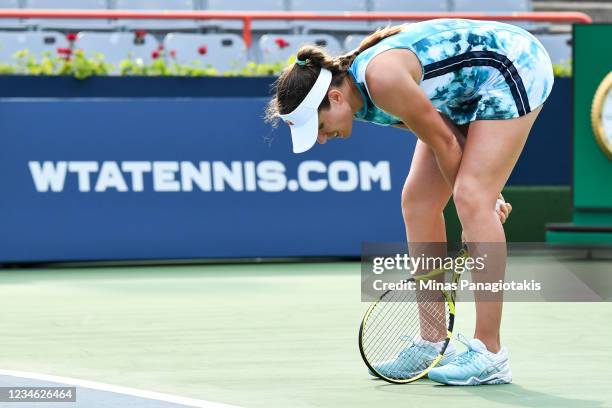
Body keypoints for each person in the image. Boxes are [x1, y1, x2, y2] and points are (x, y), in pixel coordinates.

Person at [265, 18, 553, 385]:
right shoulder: (358, 101)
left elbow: (447, 145)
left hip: (512, 64)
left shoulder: (381, 80)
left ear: (334, 98)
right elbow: (441, 136)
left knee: (470, 199)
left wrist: (478, 207)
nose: (322, 139)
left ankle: (490, 354)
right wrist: (487, 195)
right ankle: (433, 341)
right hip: (463, 89)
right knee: (418, 201)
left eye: (319, 127)